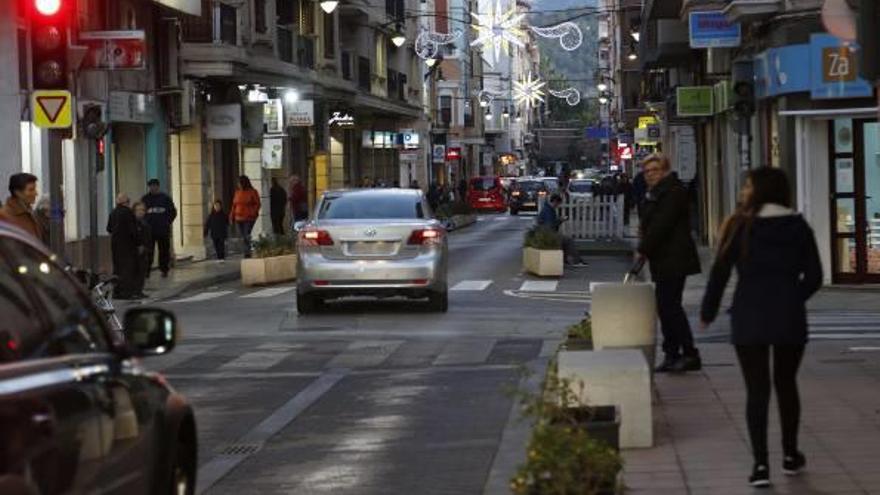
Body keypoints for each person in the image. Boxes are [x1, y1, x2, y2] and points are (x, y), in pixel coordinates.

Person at [700, 167, 822, 488]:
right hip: (789, 318)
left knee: (757, 391)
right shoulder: (798, 227)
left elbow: (720, 272)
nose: (743, 192)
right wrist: (792, 297)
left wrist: (708, 311)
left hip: (749, 316)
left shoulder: (740, 226)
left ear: (760, 191)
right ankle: (791, 454)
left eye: (748, 186)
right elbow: (815, 276)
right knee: (786, 384)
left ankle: (760, 465)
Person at [637, 153, 702, 373]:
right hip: (664, 258)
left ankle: (688, 353)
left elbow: (661, 225)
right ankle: (673, 353)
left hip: (674, 258)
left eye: (654, 170)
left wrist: (643, 249)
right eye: (646, 172)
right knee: (666, 307)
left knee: (670, 307)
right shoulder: (656, 193)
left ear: (664, 171)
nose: (650, 175)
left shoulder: (672, 192)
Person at [537, 193, 587, 266]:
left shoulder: (547, 209)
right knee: (568, 240)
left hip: (545, 233)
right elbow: (550, 225)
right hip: (548, 234)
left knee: (564, 240)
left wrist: (559, 220)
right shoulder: (549, 211)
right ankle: (576, 261)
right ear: (554, 201)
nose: (558, 205)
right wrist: (561, 220)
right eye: (558, 203)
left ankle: (565, 260)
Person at [141, 179, 177, 278]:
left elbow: (173, 212)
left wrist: (167, 222)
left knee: (164, 251)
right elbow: (141, 212)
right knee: (148, 251)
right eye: (151, 186)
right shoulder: (145, 199)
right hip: (149, 231)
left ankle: (164, 269)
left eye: (154, 186)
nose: (152, 188)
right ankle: (147, 270)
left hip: (162, 230)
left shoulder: (165, 198)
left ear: (158, 186)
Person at [106, 194, 139, 300]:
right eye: (128, 201)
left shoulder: (113, 212)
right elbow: (133, 230)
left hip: (115, 245)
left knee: (117, 268)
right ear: (126, 202)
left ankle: (117, 292)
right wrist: (137, 243)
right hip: (128, 245)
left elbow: (109, 228)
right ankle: (127, 292)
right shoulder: (128, 212)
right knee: (128, 269)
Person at [0, 173, 47, 243]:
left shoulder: (31, 213)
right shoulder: (4, 216)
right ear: (18, 192)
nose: (36, 193)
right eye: (31, 190)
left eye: (35, 189)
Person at [230, 175, 261, 258]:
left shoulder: (253, 192)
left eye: (239, 183)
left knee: (246, 234)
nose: (238, 184)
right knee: (243, 235)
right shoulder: (237, 192)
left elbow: (257, 204)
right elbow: (234, 205)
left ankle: (247, 252)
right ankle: (247, 250)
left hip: (249, 218)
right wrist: (231, 216)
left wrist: (253, 212)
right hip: (238, 217)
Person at [132, 202, 151, 299]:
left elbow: (147, 236)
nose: (141, 212)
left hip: (144, 250)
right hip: (136, 251)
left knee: (142, 271)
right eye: (138, 210)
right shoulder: (132, 223)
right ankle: (135, 291)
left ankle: (139, 290)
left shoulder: (144, 222)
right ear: (134, 211)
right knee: (136, 272)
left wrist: (146, 247)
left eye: (143, 210)